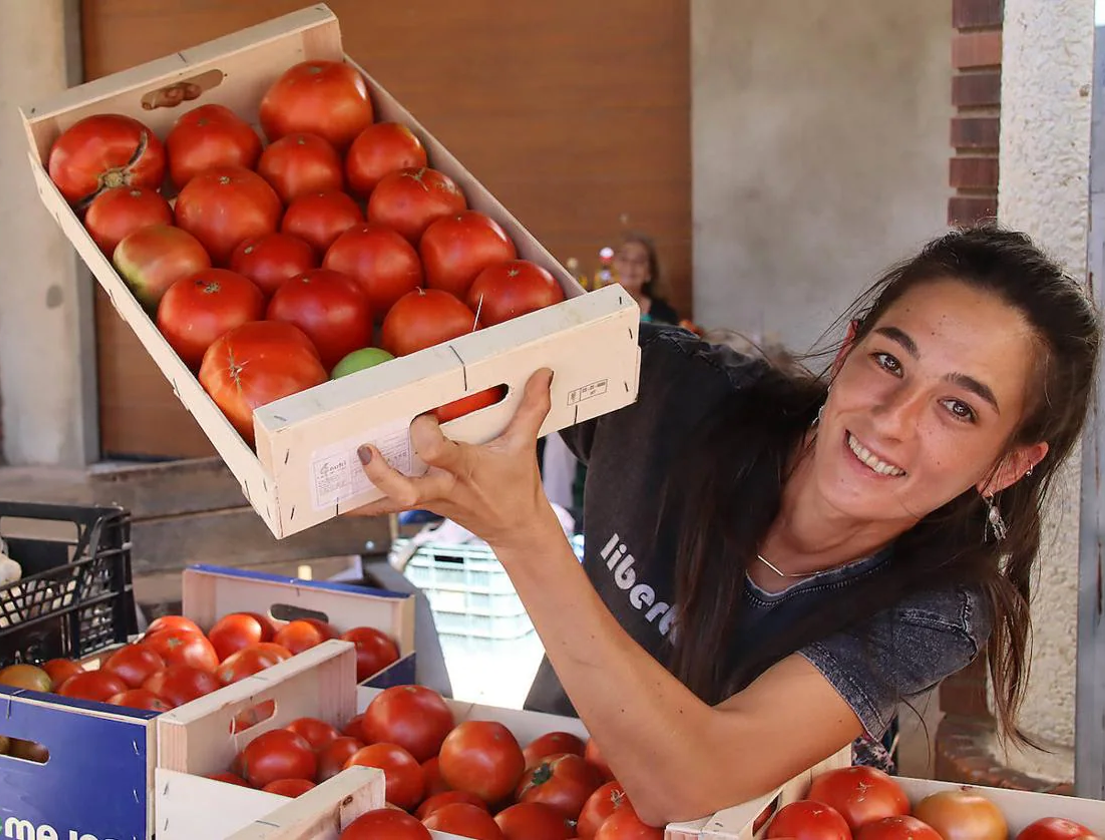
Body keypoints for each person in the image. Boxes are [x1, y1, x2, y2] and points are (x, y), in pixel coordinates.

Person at [350, 225, 1100, 827]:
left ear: (1006, 466)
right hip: (530, 794)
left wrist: (523, 534)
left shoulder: (939, 607)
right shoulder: (672, 392)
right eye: (888, 361)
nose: (893, 421)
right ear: (847, 352)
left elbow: (689, 786)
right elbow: (451, 356)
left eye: (960, 408)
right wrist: (372, 450)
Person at [612, 232, 681, 325]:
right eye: (623, 258)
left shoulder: (665, 315)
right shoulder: (595, 309)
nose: (630, 266)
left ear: (650, 272)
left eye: (639, 261)